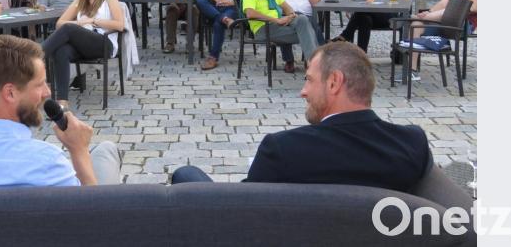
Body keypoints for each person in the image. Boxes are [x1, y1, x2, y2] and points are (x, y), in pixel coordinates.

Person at [172, 42, 434, 192]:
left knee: (186, 175)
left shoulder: (282, 149)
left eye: (309, 80)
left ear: (334, 83)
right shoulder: (412, 143)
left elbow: (242, 212)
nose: (303, 91)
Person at [0, 34, 121, 198]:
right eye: (40, 84)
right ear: (10, 93)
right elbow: (93, 218)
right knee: (106, 150)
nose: (47, 92)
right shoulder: (47, 162)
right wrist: (79, 151)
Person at [41, 0, 125, 109]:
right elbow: (60, 23)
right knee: (61, 51)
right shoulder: (80, 0)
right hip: (82, 44)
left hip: (103, 43)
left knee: (68, 28)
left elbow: (120, 25)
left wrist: (93, 21)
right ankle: (62, 103)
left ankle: (35, 56)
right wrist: (80, 23)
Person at [241, 0, 318, 73]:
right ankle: (315, 66)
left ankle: (312, 63)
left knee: (302, 19)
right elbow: (250, 13)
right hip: (263, 28)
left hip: (276, 25)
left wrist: (291, 15)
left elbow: (286, 7)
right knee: (308, 33)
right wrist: (277, 20)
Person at [195, 0, 246, 70]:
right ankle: (224, 19)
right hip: (217, 9)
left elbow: (250, 0)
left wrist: (232, 1)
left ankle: (213, 57)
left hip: (233, 10)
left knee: (218, 24)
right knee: (199, 0)